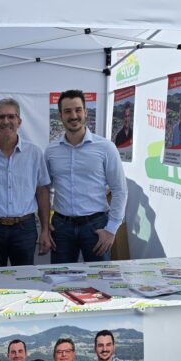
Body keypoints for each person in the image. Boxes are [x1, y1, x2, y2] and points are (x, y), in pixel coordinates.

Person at [45, 89, 128, 263]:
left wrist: (111, 229)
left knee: (100, 277)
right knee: (60, 277)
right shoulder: (51, 151)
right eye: (67, 111)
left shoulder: (106, 147)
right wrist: (45, 225)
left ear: (86, 112)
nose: (73, 116)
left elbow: (120, 189)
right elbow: (44, 190)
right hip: (62, 227)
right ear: (60, 115)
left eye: (78, 110)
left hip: (96, 226)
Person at [0, 98, 51, 267]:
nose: (6, 121)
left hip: (24, 228)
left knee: (25, 279)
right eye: (1, 117)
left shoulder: (34, 153)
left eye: (11, 116)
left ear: (19, 121)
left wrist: (45, 230)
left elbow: (42, 191)